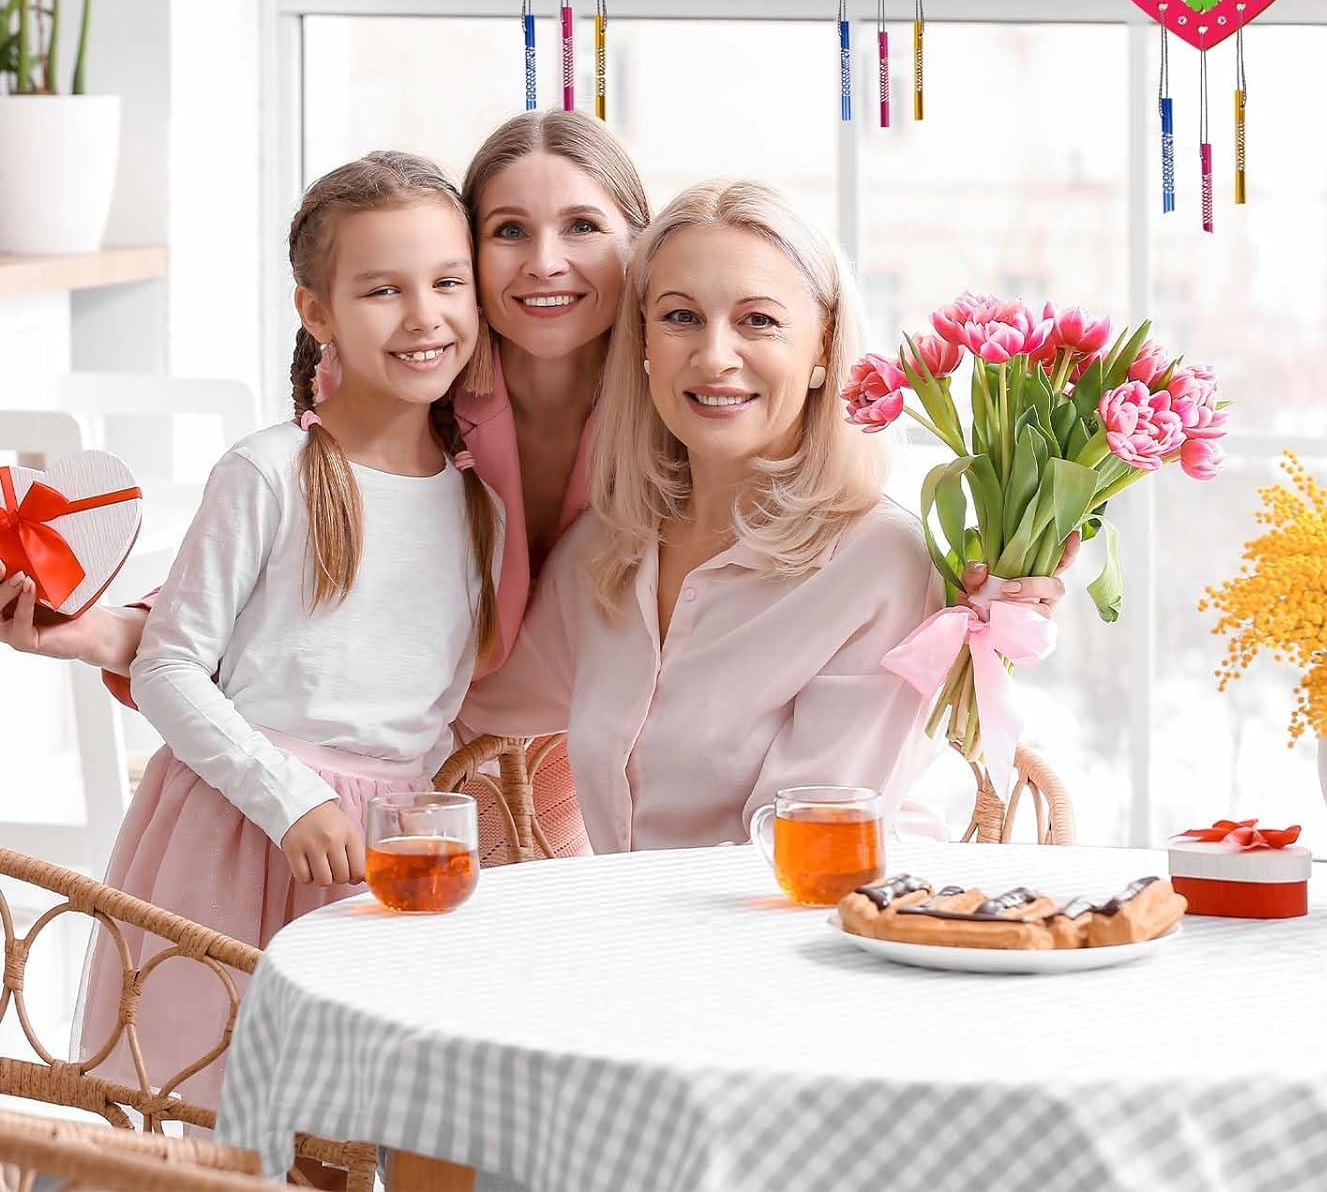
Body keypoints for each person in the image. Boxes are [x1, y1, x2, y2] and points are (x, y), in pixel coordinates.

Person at [1, 110, 653, 859]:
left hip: (540, 763)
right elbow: (300, 575)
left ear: (638, 243)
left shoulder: (671, 407)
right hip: (364, 781)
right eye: (508, 231)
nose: (544, 261)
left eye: (583, 226)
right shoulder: (410, 380)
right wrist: (111, 632)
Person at [460, 179, 1073, 850]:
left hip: (793, 943)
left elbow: (802, 849)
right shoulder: (607, 550)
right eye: (680, 317)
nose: (715, 356)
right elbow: (474, 708)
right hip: (630, 942)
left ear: (822, 346)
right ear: (642, 341)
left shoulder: (881, 565)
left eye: (758, 320)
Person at [73, 150, 503, 1102]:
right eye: (382, 290)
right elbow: (170, 669)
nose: (426, 316)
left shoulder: (485, 506)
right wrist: (290, 800)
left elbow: (440, 711)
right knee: (218, 1105)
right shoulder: (266, 473)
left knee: (351, 1122)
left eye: (448, 282)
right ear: (318, 313)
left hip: (383, 855)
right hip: (236, 834)